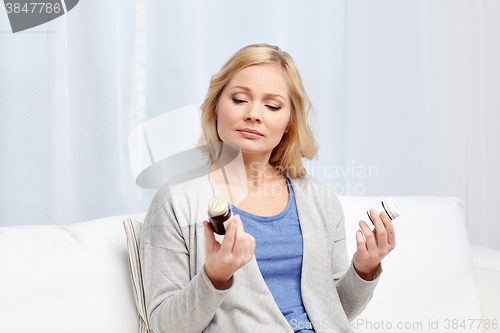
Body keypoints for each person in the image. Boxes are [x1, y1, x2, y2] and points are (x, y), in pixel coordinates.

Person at [139, 44, 396, 333]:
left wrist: (364, 268)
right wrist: (215, 276)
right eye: (239, 99)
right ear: (215, 107)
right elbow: (164, 326)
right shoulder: (178, 200)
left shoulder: (318, 197)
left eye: (272, 106)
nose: (253, 114)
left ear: (289, 123)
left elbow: (334, 313)